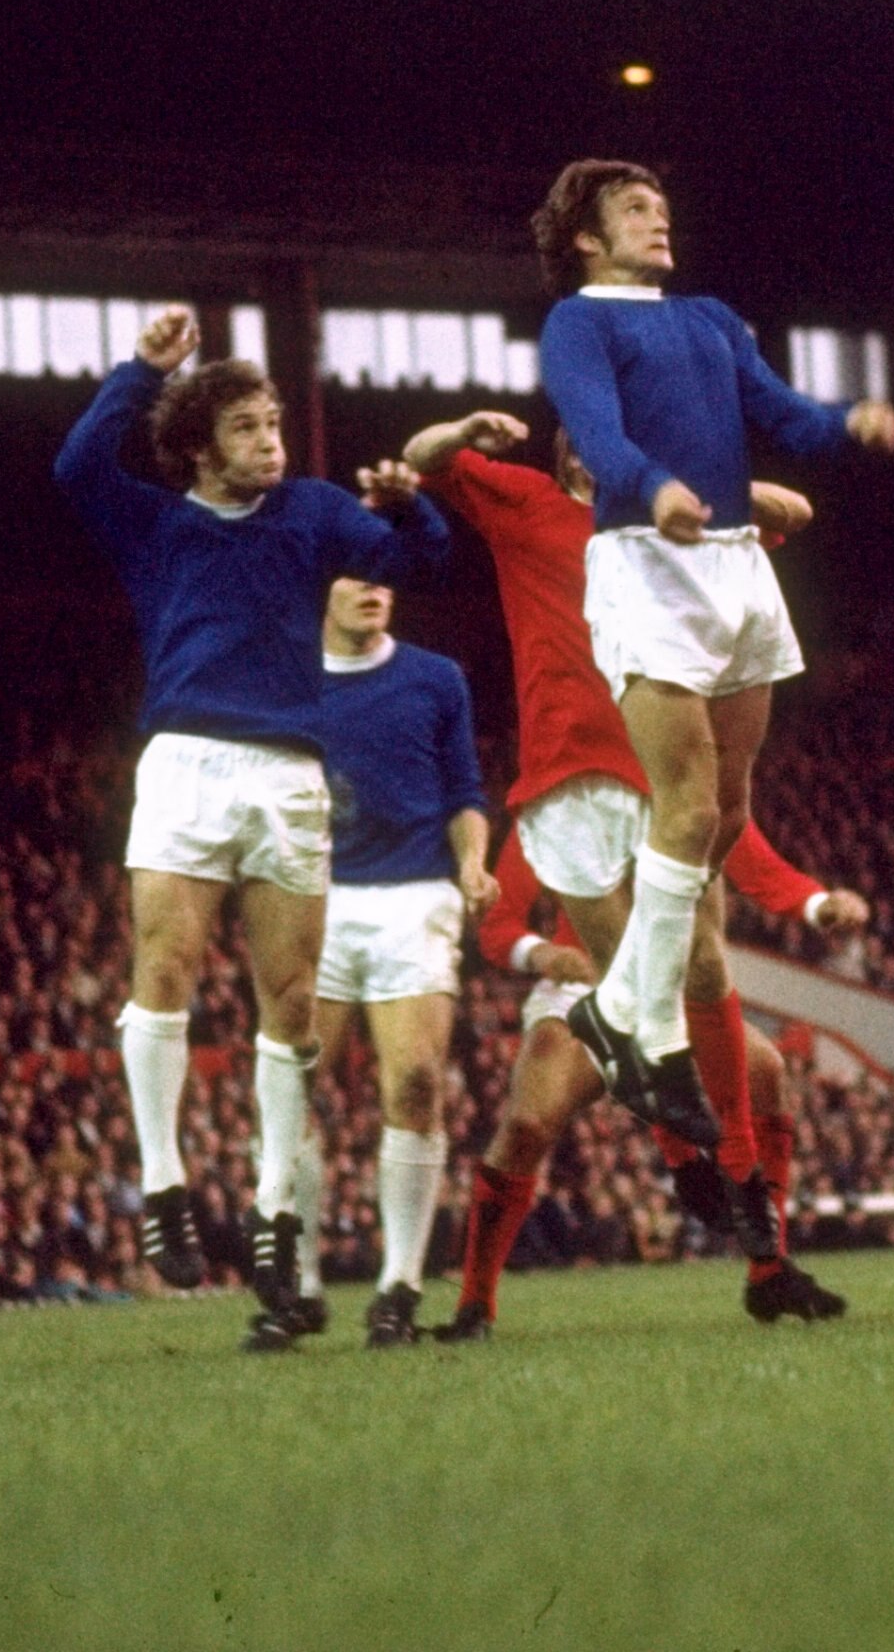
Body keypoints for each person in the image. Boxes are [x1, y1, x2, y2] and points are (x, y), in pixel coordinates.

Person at [54, 306, 448, 1349]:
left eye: (274, 424)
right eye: (246, 429)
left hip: (288, 775)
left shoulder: (315, 512)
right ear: (196, 447)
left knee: (290, 1006)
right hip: (185, 764)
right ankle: (164, 1182)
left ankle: (277, 1208)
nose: (270, 442)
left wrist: (413, 511)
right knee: (168, 967)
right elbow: (76, 467)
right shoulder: (156, 522)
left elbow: (419, 561)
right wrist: (140, 372)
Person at [531, 159, 894, 1142]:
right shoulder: (580, 321)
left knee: (725, 815)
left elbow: (780, 415)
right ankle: (635, 1018)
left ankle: (619, 1015)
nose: (660, 220)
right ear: (587, 239)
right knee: (686, 805)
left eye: (661, 205)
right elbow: (597, 433)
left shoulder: (708, 318)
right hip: (646, 560)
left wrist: (845, 423)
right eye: (635, 210)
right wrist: (649, 486)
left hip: (734, 563)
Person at [400, 404, 819, 1241]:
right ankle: (679, 1143)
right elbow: (419, 456)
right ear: (575, 466)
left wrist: (706, 492)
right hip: (571, 773)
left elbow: (795, 512)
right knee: (627, 976)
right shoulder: (528, 505)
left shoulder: (677, 529)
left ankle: (734, 1169)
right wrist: (462, 436)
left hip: (668, 769)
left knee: (698, 962)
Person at [435, 820, 864, 1340]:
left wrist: (818, 905)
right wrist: (544, 953)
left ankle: (769, 1272)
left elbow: (751, 857)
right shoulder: (561, 794)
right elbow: (498, 925)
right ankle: (474, 1304)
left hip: (668, 988)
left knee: (767, 1070)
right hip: (584, 990)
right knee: (527, 1124)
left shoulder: (682, 783)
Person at [282, 576, 497, 1350]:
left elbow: (464, 792)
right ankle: (296, 1283)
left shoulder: (435, 678)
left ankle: (397, 1287)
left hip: (414, 896)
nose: (374, 588)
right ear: (321, 589)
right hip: (315, 898)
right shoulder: (285, 674)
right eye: (353, 575)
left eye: (384, 575)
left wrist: (472, 861)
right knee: (291, 1090)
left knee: (413, 1081)